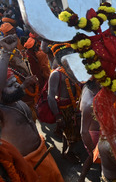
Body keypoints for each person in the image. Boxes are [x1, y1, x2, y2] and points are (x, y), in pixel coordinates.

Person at [0, 34, 63, 182]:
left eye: (15, 82)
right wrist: (5, 52)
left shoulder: (18, 102)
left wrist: (23, 85)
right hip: (27, 166)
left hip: (44, 154)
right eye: (10, 85)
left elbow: (16, 89)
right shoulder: (2, 111)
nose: (16, 85)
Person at [47, 43, 82, 161]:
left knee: (72, 133)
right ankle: (68, 152)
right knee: (71, 134)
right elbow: (50, 97)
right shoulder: (56, 74)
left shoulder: (74, 70)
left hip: (76, 106)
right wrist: (58, 116)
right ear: (62, 60)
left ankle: (66, 150)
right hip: (65, 109)